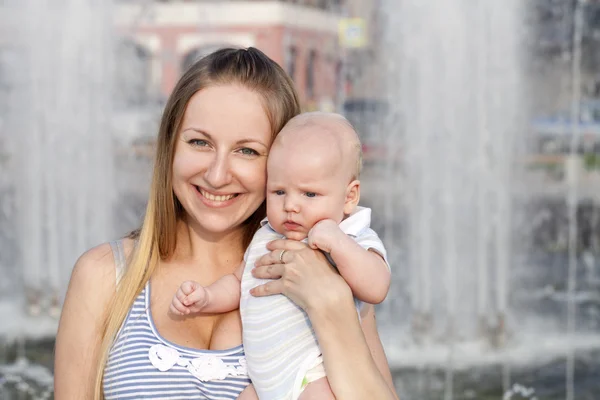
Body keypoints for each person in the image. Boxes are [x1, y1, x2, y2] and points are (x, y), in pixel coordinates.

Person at [54, 47, 398, 400]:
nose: (217, 175)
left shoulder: (337, 272)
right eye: (199, 142)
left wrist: (330, 304)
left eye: (247, 150)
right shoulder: (104, 277)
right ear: (170, 146)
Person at [170, 112, 391, 400]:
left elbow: (377, 286)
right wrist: (207, 297)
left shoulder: (351, 234)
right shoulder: (265, 235)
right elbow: (240, 282)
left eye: (309, 195)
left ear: (349, 197)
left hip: (313, 374)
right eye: (278, 192)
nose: (291, 206)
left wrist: (338, 245)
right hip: (264, 384)